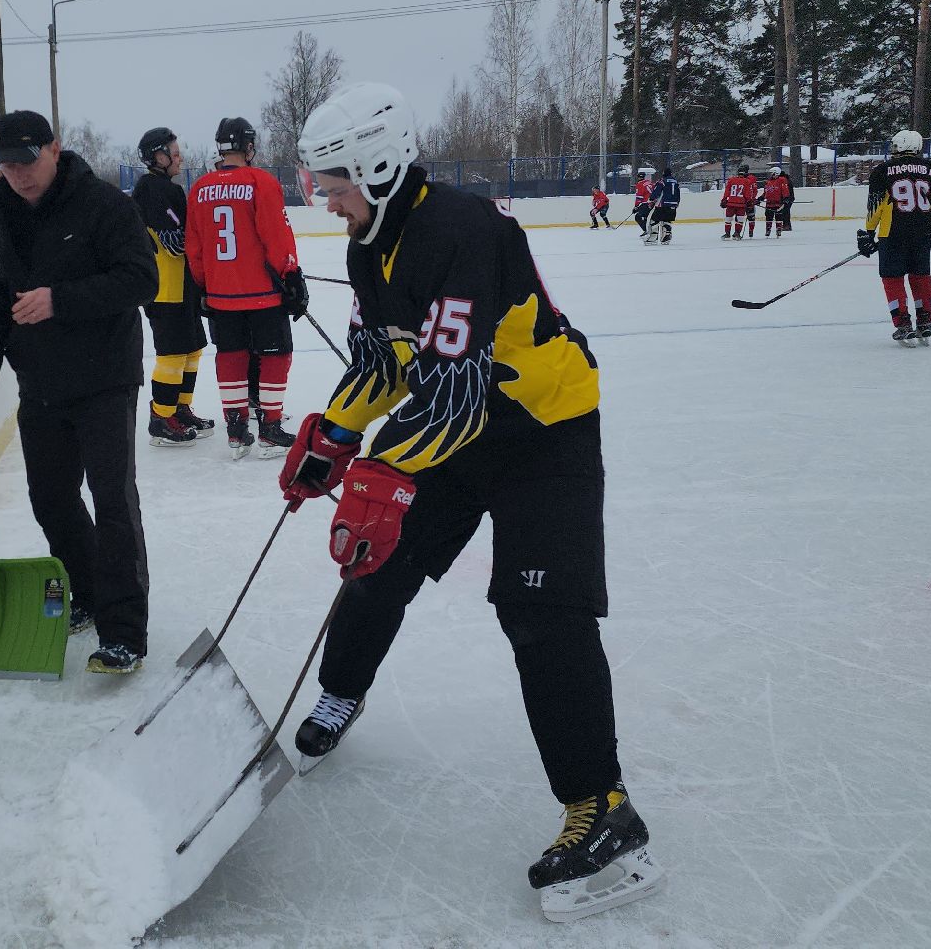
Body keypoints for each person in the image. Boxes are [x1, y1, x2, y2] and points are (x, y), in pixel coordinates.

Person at [280, 81, 660, 923]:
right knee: (378, 560)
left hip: (539, 433)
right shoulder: (367, 245)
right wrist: (333, 437)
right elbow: (389, 366)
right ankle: (340, 691)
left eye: (332, 185)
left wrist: (379, 474)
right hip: (458, 429)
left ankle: (605, 811)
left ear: (377, 169)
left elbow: (455, 392)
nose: (324, 202)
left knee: (540, 615)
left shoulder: (462, 233)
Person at [0, 110, 159, 674]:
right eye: (8, 165)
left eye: (27, 160)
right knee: (51, 499)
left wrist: (59, 299)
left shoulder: (106, 207)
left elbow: (143, 279)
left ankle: (124, 633)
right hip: (40, 383)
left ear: (54, 148)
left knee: (113, 500)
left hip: (104, 379)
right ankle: (89, 594)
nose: (18, 174)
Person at [186, 115, 307, 459]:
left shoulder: (199, 188)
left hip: (221, 296)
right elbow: (276, 235)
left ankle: (237, 431)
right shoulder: (261, 182)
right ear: (249, 147)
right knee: (276, 353)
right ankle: (269, 428)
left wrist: (203, 286)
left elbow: (194, 246)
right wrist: (291, 274)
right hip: (262, 293)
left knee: (231, 356)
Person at [130, 127, 214, 447]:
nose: (179, 158)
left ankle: (178, 409)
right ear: (158, 157)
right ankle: (161, 419)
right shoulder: (153, 190)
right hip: (165, 289)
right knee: (172, 354)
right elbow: (176, 243)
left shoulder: (168, 188)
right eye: (174, 153)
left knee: (192, 349)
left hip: (183, 286)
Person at [858, 129, 931, 345]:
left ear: (897, 147)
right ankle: (925, 321)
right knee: (920, 275)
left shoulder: (883, 170)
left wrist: (868, 231)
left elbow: (876, 205)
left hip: (893, 232)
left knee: (892, 277)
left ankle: (903, 323)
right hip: (924, 231)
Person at [721, 164, 759, 239]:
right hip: (741, 204)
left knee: (728, 219)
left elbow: (727, 191)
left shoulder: (731, 180)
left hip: (731, 203)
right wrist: (749, 201)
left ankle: (727, 234)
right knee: (740, 220)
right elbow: (747, 193)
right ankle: (737, 233)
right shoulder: (747, 181)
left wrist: (724, 199)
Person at [761, 165, 794, 236]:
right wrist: (760, 199)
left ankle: (779, 229)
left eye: (772, 173)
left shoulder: (781, 180)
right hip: (769, 203)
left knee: (778, 216)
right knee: (768, 216)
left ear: (776, 173)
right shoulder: (769, 182)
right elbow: (766, 192)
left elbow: (785, 190)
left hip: (778, 203)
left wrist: (786, 198)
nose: (770, 175)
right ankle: (768, 229)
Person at [651, 165, 680, 244]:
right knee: (667, 221)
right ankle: (666, 237)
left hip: (663, 205)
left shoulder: (662, 181)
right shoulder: (675, 181)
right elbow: (678, 193)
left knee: (654, 219)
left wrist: (651, 199)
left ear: (664, 174)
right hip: (673, 205)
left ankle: (653, 237)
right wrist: (677, 203)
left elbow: (656, 192)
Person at [632, 168, 657, 240]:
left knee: (638, 217)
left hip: (646, 203)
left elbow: (639, 197)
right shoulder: (649, 182)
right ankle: (647, 230)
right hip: (652, 202)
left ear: (638, 177)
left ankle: (647, 231)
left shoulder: (639, 184)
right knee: (645, 216)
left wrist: (636, 207)